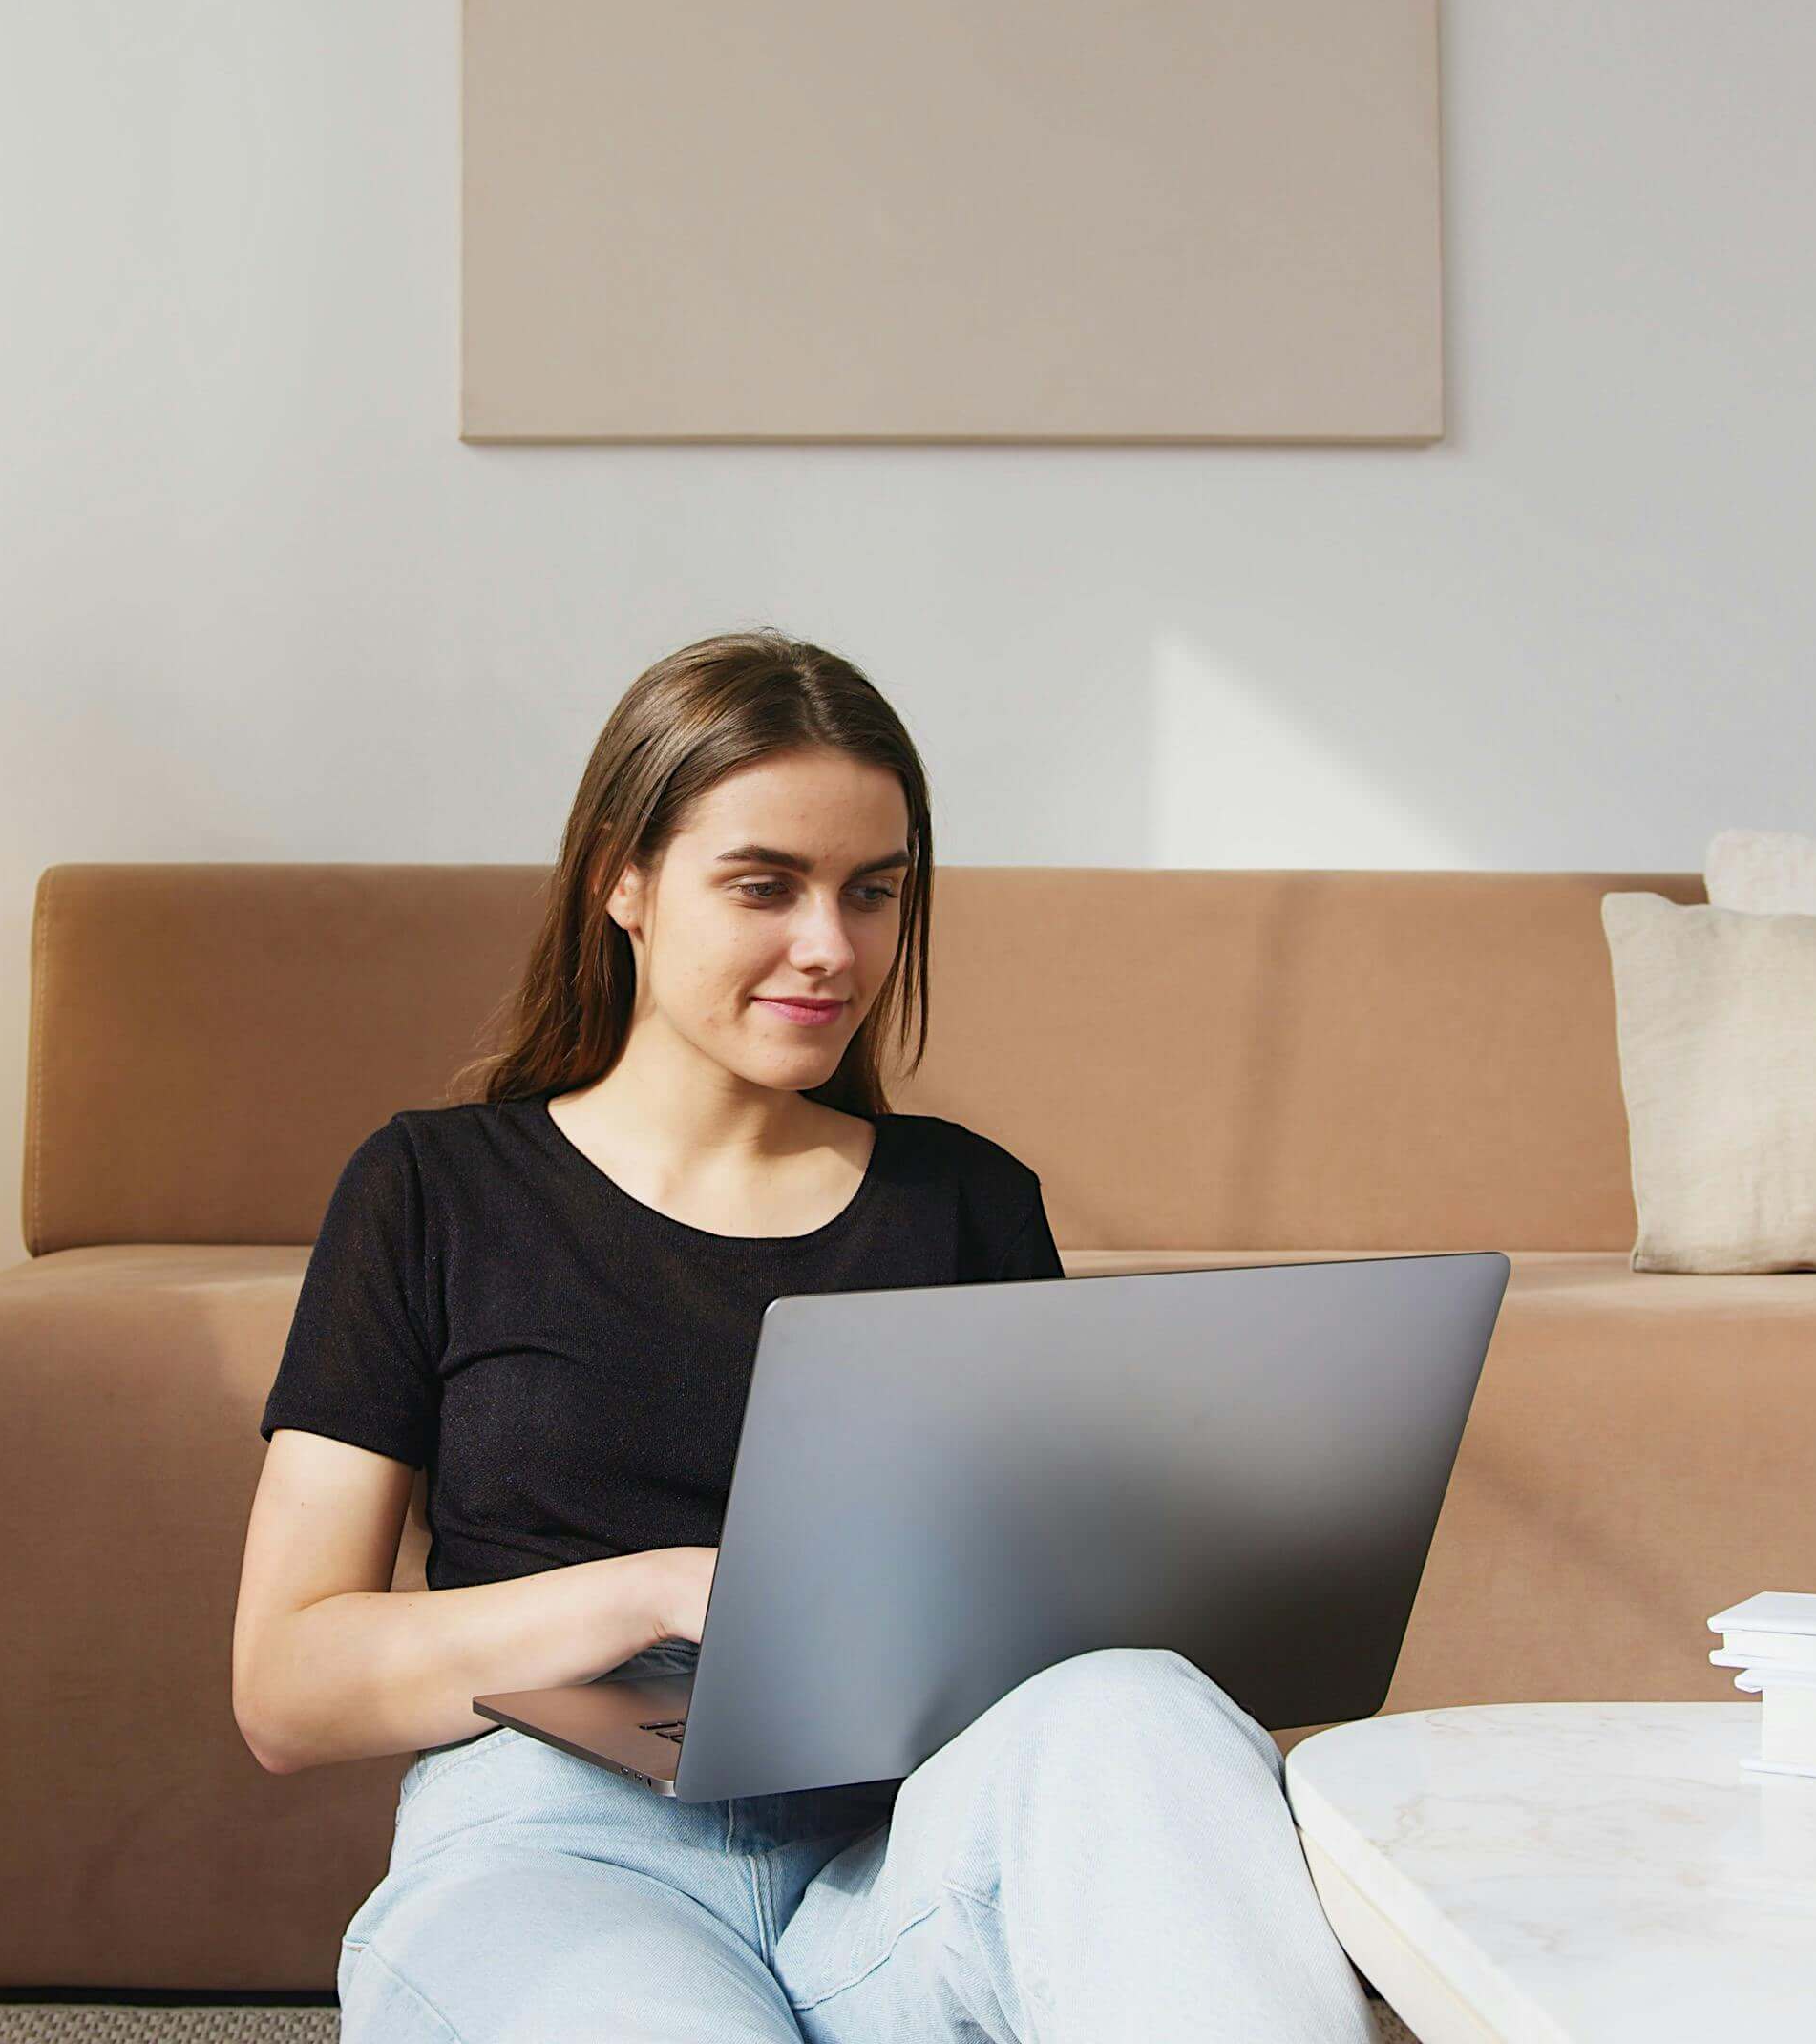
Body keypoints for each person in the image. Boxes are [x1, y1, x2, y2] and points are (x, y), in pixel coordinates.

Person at [230, 630, 1383, 2042]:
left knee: (1133, 1705)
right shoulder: (435, 1189)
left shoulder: (964, 1205)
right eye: (765, 885)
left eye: (874, 892)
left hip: (891, 1870)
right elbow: (288, 1688)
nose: (831, 949)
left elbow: (1044, 1646)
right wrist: (666, 1593)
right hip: (558, 1849)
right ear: (625, 879)